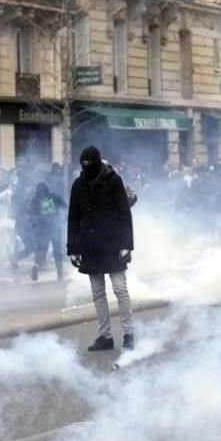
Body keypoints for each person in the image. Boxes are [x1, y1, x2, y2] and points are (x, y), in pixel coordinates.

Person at [67, 146, 136, 352]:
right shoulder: (78, 185)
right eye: (84, 165)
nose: (87, 168)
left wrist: (126, 244)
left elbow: (125, 214)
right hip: (90, 246)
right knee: (98, 293)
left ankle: (129, 333)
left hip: (114, 244)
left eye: (90, 164)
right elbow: (73, 218)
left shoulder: (114, 181)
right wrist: (73, 248)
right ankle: (105, 336)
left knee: (120, 290)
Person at [27, 182, 67, 281]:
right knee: (57, 250)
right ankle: (60, 273)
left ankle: (36, 267)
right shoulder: (53, 197)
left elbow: (31, 215)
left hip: (42, 230)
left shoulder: (35, 200)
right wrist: (62, 219)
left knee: (41, 251)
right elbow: (65, 206)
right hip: (55, 227)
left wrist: (34, 226)